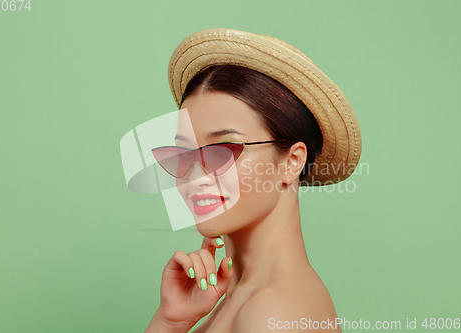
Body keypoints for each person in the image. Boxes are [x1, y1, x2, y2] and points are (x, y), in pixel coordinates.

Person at [144, 28, 362, 333]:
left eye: (223, 150)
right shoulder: (243, 297)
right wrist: (170, 322)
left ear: (292, 162)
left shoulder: (270, 312)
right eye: (184, 153)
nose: (195, 174)